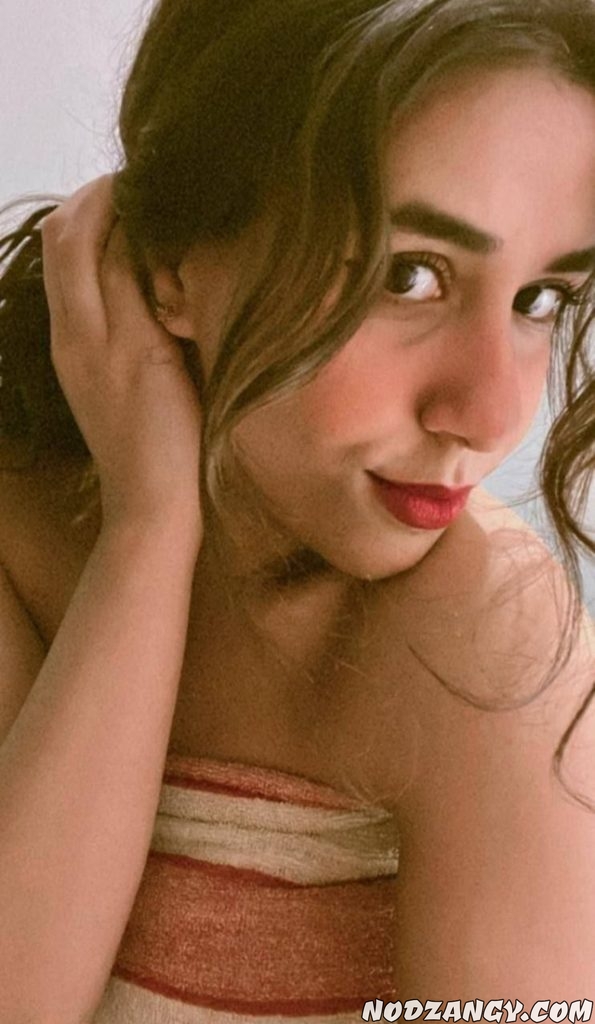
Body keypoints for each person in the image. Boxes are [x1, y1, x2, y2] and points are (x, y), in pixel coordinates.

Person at [0, 0, 594, 1019]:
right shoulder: (20, 531)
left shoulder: (485, 634)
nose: (491, 414)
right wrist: (151, 531)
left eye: (539, 298)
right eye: (409, 275)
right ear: (168, 266)